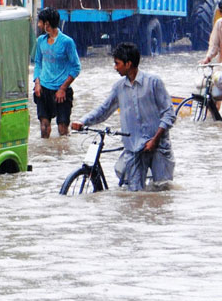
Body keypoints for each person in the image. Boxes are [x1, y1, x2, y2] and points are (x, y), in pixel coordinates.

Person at [71, 42, 175, 191]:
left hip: (158, 146)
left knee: (162, 190)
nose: (115, 67)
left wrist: (155, 140)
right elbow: (104, 110)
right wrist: (83, 121)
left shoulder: (153, 82)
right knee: (134, 195)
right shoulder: (119, 87)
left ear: (128, 64)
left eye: (117, 63)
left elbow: (169, 114)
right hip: (133, 147)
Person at [32, 7, 80, 138]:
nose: (38, 25)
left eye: (40, 22)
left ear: (47, 24)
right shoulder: (40, 41)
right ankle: (46, 156)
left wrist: (63, 88)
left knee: (63, 129)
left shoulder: (67, 42)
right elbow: (38, 63)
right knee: (44, 127)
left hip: (61, 92)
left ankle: (64, 157)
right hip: (43, 90)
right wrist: (37, 82)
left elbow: (76, 67)